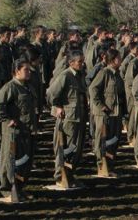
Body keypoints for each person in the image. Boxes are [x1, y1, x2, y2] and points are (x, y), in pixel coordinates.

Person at [0, 58, 37, 202]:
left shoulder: (28, 86)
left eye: (29, 69)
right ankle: (7, 189)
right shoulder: (10, 87)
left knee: (24, 161)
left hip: (26, 129)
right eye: (26, 70)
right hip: (13, 131)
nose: (29, 72)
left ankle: (19, 188)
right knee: (10, 159)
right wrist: (6, 120)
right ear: (17, 71)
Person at [46, 51, 87, 188]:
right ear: (71, 63)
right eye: (80, 61)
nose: (82, 64)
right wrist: (57, 107)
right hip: (68, 119)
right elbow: (51, 94)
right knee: (65, 149)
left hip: (79, 118)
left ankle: (69, 175)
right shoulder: (65, 76)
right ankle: (60, 176)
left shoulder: (80, 76)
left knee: (76, 150)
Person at [88, 49, 126, 177]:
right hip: (104, 114)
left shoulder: (117, 74)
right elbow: (93, 89)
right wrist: (101, 106)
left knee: (113, 140)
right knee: (102, 140)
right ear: (113, 60)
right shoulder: (104, 73)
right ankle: (101, 166)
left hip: (116, 113)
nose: (121, 60)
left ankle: (109, 165)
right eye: (119, 58)